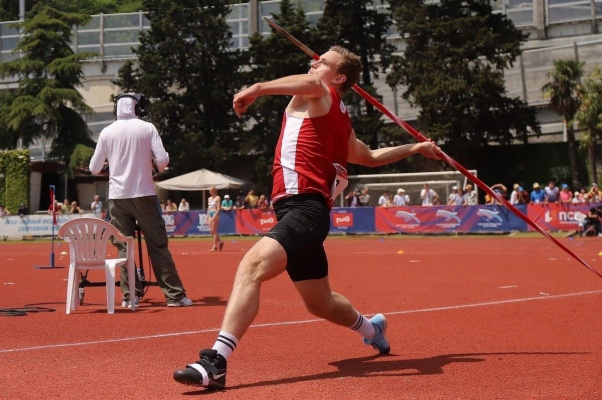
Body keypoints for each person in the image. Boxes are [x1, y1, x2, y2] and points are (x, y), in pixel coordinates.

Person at [173, 45, 441, 389]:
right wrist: (416, 148)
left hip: (306, 209)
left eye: (323, 62)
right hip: (299, 211)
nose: (314, 62)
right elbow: (370, 155)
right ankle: (372, 328)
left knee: (251, 267)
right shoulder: (339, 116)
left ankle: (215, 362)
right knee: (320, 303)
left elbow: (312, 85)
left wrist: (256, 89)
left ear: (339, 77)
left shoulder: (322, 91)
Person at [89, 93, 191, 308]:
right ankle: (174, 296)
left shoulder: (107, 132)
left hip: (118, 197)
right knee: (158, 245)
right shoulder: (147, 128)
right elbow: (162, 161)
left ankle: (130, 296)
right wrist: (153, 165)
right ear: (137, 108)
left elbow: (94, 168)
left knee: (124, 248)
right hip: (143, 193)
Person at [207, 186, 223, 252]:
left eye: (210, 190)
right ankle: (221, 242)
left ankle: (214, 246)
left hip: (215, 212)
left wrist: (215, 215)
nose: (209, 192)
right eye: (209, 191)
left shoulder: (218, 198)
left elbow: (219, 207)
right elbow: (208, 208)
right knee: (211, 231)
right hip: (210, 212)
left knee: (214, 230)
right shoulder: (209, 198)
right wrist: (207, 216)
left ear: (214, 191)